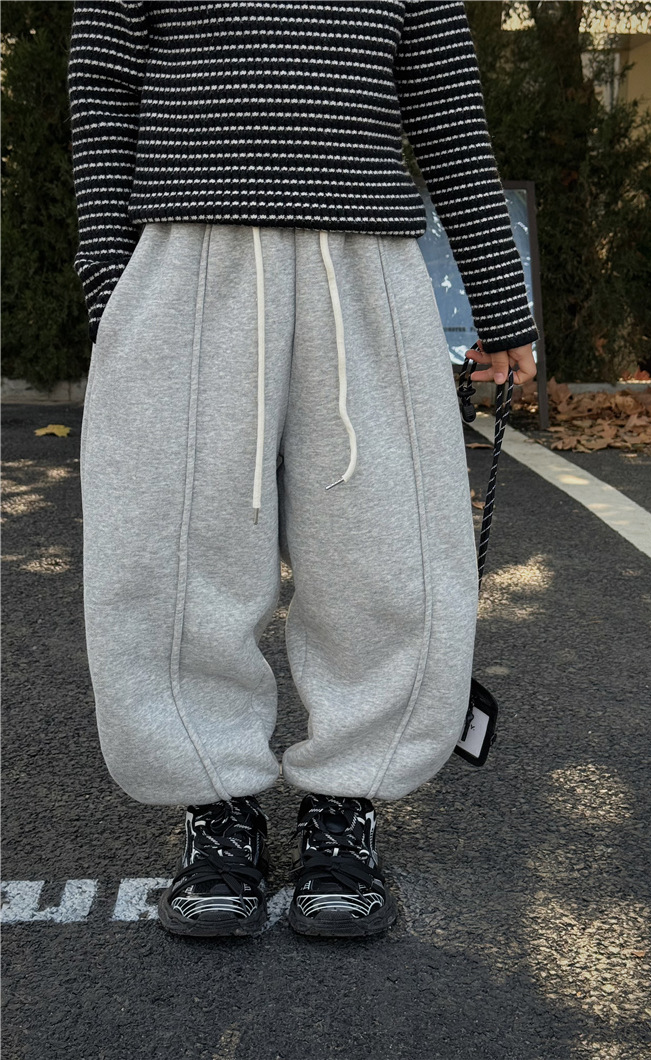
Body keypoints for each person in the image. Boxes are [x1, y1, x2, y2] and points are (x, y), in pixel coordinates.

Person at [68, 0, 537, 939]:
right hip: (187, 254)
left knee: (387, 551)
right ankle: (214, 804)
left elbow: (447, 107)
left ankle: (346, 804)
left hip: (366, 265)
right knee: (170, 552)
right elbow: (101, 92)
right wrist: (112, 288)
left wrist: (500, 300)